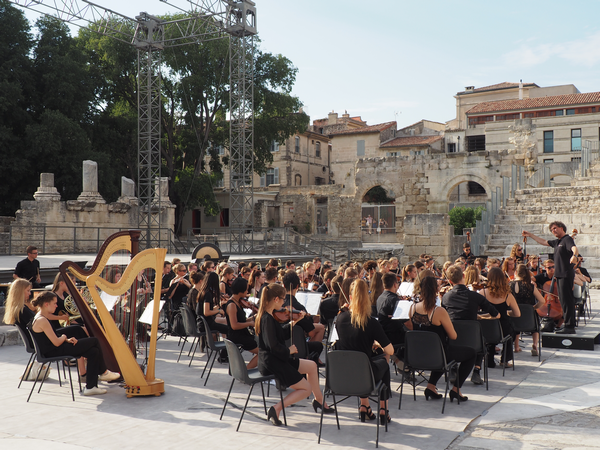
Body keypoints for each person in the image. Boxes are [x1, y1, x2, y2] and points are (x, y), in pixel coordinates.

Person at [255, 283, 334, 426]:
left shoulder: (268, 316)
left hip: (275, 358)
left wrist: (295, 321)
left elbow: (281, 334)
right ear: (276, 299)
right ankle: (276, 408)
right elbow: (273, 346)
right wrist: (289, 351)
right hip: (272, 363)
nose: (284, 302)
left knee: (312, 366)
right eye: (283, 299)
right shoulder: (267, 319)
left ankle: (319, 401)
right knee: (306, 389)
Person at [29, 291, 120, 395]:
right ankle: (103, 372)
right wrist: (64, 337)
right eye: (54, 303)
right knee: (94, 341)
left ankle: (91, 387)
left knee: (93, 351)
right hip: (53, 351)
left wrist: (67, 339)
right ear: (46, 304)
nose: (56, 306)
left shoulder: (40, 316)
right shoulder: (42, 320)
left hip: (54, 348)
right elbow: (56, 342)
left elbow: (52, 338)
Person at [408, 276, 475, 403]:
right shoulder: (439, 311)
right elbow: (453, 336)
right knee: (471, 353)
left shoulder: (412, 308)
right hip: (437, 356)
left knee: (440, 350)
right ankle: (456, 389)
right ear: (436, 290)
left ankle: (431, 387)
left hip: (417, 356)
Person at [337, 279, 393, 424]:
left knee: (360, 363)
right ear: (367, 299)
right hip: (366, 375)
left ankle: (365, 406)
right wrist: (377, 343)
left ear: (350, 298)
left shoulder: (340, 319)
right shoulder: (372, 323)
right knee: (384, 363)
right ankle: (383, 409)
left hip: (343, 375)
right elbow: (391, 350)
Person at [441, 265, 499, 384]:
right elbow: (496, 314)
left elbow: (445, 316)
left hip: (453, 339)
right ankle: (476, 371)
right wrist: (481, 316)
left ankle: (453, 368)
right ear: (463, 276)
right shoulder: (476, 296)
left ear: (450, 281)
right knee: (482, 340)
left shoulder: (446, 297)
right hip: (472, 340)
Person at [523, 221, 578, 334]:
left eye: (555, 228)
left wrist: (574, 256)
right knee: (563, 301)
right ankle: (568, 325)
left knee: (567, 301)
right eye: (552, 229)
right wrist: (530, 235)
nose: (553, 231)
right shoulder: (558, 242)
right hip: (560, 276)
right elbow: (543, 241)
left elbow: (574, 248)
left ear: (562, 228)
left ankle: (570, 326)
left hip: (566, 274)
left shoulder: (567, 239)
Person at [478, 267, 521, 367]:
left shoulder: (482, 293)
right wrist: (506, 313)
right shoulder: (508, 295)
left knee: (489, 334)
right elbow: (517, 314)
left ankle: (489, 360)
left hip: (486, 329)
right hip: (503, 329)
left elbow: (475, 311)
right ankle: (505, 360)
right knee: (510, 333)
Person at [224, 277, 258, 369]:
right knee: (263, 353)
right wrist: (250, 324)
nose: (247, 291)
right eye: (246, 289)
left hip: (242, 333)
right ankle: (246, 371)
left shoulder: (238, 302)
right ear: (240, 290)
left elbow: (242, 321)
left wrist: (253, 317)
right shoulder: (232, 305)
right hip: (237, 336)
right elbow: (234, 325)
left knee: (262, 348)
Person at [510, 264, 544, 355]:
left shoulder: (509, 285)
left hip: (514, 316)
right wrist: (534, 308)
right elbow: (542, 301)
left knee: (515, 323)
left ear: (515, 273)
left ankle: (516, 346)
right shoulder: (531, 286)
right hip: (529, 317)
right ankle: (535, 344)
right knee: (535, 327)